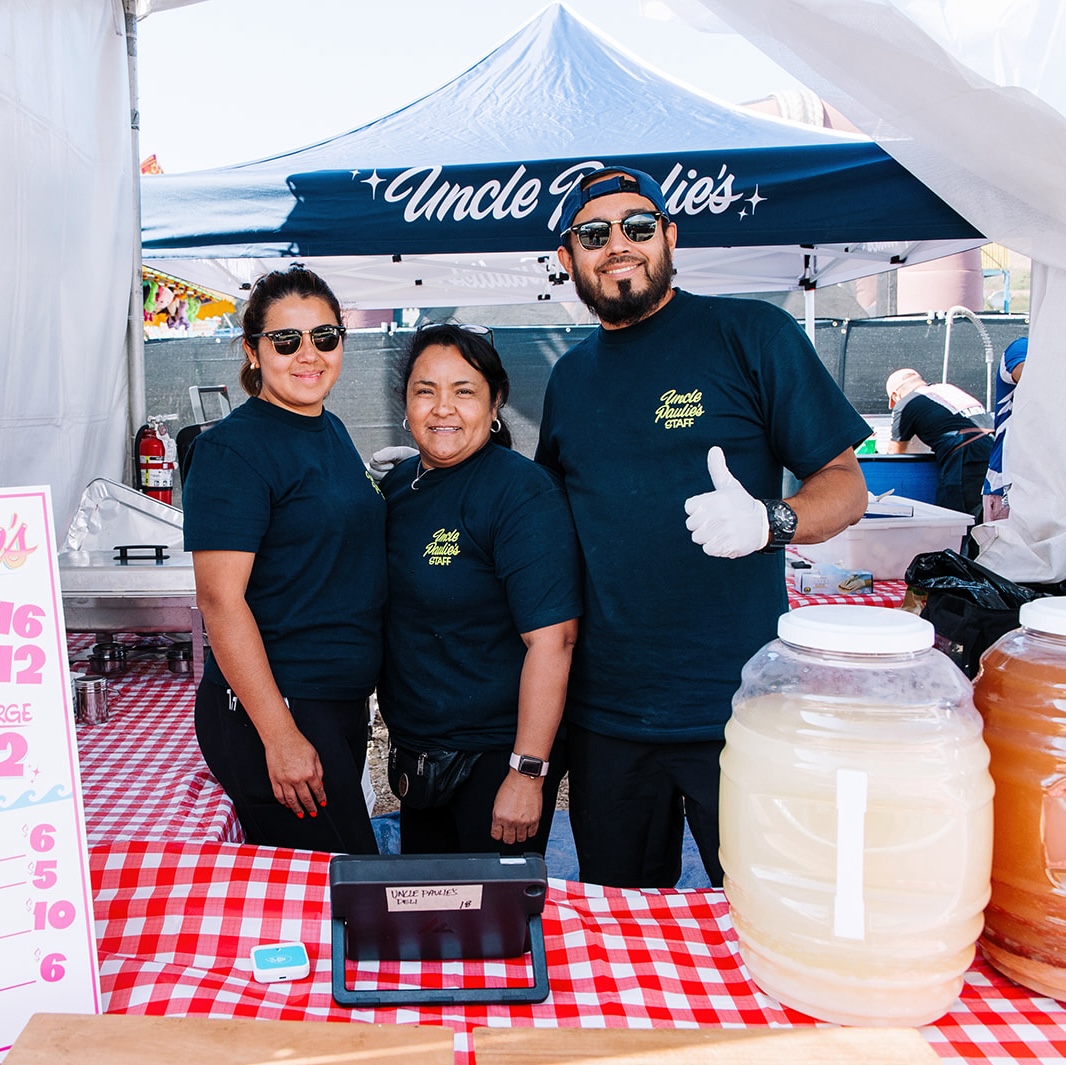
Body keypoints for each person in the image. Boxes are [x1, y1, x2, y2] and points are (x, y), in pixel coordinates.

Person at [535, 166, 870, 889]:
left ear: (670, 237)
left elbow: (847, 487)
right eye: (594, 233)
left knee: (763, 911)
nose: (617, 244)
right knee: (621, 931)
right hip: (608, 721)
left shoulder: (751, 334)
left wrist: (769, 520)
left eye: (638, 226)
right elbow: (550, 531)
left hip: (741, 709)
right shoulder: (570, 380)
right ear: (568, 259)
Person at [182, 265, 385, 853]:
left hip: (334, 700)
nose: (309, 354)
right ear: (252, 351)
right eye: (285, 340)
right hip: (277, 707)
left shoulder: (331, 427)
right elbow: (220, 601)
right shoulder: (232, 451)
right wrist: (280, 735)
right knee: (341, 889)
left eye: (324, 337)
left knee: (333, 889)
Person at [376, 323, 582, 857]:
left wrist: (527, 774)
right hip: (417, 751)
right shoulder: (398, 486)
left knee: (493, 925)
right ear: (406, 404)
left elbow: (553, 641)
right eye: (427, 391)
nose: (443, 408)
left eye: (463, 391)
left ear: (495, 406)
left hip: (494, 758)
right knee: (430, 918)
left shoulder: (520, 493)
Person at [885, 368, 993, 516]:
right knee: (987, 514)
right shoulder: (948, 389)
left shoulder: (906, 402)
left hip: (966, 454)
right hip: (995, 448)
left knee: (955, 517)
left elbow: (895, 453)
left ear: (896, 395)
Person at [982, 337, 1028, 522]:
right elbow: (1039, 383)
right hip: (1007, 484)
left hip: (1050, 485)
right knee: (1004, 549)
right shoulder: (1023, 348)